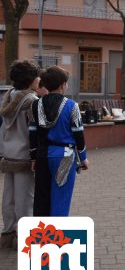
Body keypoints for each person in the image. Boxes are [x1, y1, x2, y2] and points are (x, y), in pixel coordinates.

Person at [29, 66, 90, 216]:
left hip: (42, 156)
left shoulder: (35, 105)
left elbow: (32, 134)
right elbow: (78, 134)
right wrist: (83, 157)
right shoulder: (72, 106)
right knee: (60, 200)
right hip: (65, 157)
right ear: (63, 85)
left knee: (42, 199)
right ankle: (57, 238)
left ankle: (42, 237)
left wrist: (33, 158)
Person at [0, 60, 40, 250]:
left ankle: (7, 233)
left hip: (8, 154)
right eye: (37, 77)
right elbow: (35, 131)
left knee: (9, 197)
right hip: (25, 156)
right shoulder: (31, 101)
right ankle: (24, 238)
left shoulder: (8, 97)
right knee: (25, 199)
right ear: (31, 80)